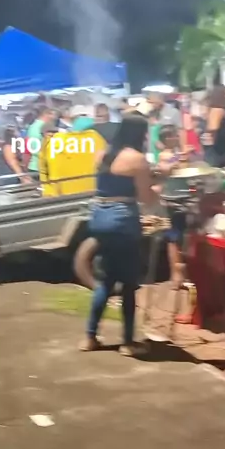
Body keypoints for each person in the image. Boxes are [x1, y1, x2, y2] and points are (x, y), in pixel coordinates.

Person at [80, 112, 158, 357]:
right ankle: (127, 343)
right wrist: (158, 187)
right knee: (128, 284)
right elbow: (146, 198)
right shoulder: (137, 159)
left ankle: (89, 337)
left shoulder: (102, 154)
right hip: (122, 221)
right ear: (140, 133)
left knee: (106, 280)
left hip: (99, 217)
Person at [156, 125, 188, 286]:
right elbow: (166, 168)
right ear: (167, 138)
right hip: (171, 200)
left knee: (181, 235)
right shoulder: (165, 155)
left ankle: (182, 270)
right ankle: (176, 272)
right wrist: (179, 158)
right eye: (174, 135)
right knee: (173, 237)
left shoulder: (175, 154)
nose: (177, 138)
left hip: (182, 197)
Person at [201, 85, 225, 168]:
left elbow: (213, 127)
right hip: (222, 147)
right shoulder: (224, 110)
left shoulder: (216, 110)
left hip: (215, 149)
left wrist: (205, 131)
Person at [26, 105, 54, 180]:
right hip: (41, 168)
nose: (53, 117)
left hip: (36, 166)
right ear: (46, 114)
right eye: (51, 114)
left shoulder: (33, 126)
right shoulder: (42, 127)